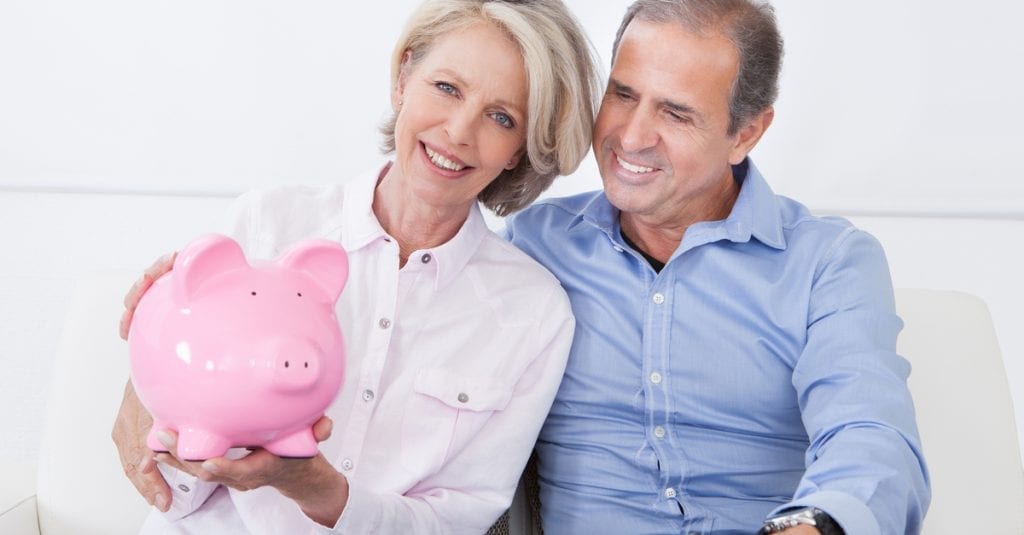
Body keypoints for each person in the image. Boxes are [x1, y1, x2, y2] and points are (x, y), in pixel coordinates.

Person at [111, 0, 600, 532]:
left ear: (519, 150)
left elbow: (457, 519)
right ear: (403, 79)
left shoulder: (532, 312)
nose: (459, 130)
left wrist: (317, 489)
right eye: (447, 88)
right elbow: (171, 484)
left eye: (501, 117)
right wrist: (154, 370)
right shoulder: (271, 222)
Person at [503, 1, 930, 533]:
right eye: (623, 94)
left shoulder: (829, 263)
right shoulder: (534, 246)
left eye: (676, 113)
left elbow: (870, 436)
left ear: (746, 133)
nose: (631, 137)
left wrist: (817, 524)